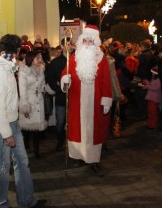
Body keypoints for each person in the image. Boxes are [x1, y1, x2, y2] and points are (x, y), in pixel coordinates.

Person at [0, 34, 46, 208]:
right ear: (11, 51)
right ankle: (0, 204)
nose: (18, 54)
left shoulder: (7, 67)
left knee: (22, 162)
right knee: (2, 167)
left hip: (12, 123)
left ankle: (26, 200)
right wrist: (6, 133)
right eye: (17, 50)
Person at [61, 25, 112, 176]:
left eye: (91, 41)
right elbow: (65, 72)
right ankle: (78, 156)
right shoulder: (74, 57)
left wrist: (106, 99)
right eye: (86, 40)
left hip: (95, 101)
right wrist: (65, 79)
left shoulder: (101, 59)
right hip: (77, 100)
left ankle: (93, 160)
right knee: (77, 129)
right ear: (81, 41)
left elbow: (105, 81)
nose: (88, 43)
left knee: (93, 130)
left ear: (95, 42)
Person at [45, 37, 74, 152]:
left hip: (75, 97)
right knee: (60, 122)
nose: (70, 46)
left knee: (74, 122)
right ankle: (60, 142)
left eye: (71, 44)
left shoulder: (77, 60)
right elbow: (50, 78)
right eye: (67, 44)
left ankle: (73, 143)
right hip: (61, 98)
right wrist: (59, 88)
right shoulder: (55, 62)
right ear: (62, 47)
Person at [18, 51, 48, 158]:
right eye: (37, 58)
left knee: (37, 129)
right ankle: (25, 148)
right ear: (31, 59)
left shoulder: (41, 69)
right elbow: (22, 90)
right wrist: (25, 105)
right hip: (28, 101)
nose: (40, 60)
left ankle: (36, 150)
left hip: (39, 102)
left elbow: (43, 84)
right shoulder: (23, 71)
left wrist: (46, 89)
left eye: (40, 57)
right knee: (26, 129)